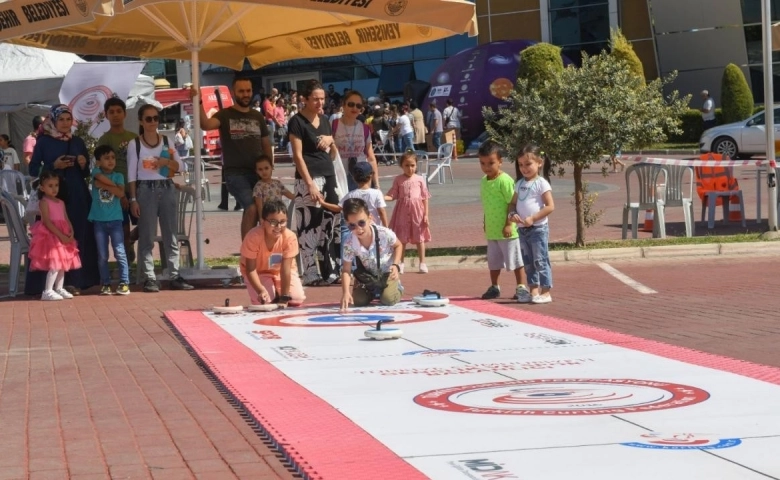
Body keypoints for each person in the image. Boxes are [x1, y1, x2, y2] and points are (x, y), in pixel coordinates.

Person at [27, 104, 99, 296]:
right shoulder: (43, 142)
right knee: (52, 238)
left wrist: (83, 164)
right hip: (52, 196)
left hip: (77, 195)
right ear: (53, 120)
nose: (66, 123)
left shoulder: (77, 141)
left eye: (68, 119)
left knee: (77, 236)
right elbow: (33, 169)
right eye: (61, 119)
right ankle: (47, 286)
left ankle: (76, 282)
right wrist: (54, 165)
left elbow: (86, 173)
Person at [191, 77, 272, 239]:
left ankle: (254, 250)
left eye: (248, 91)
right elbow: (206, 125)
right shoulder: (225, 115)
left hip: (258, 173)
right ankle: (248, 254)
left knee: (260, 210)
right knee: (252, 208)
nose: (245, 94)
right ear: (234, 93)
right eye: (241, 91)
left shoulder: (257, 116)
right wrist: (198, 101)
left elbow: (266, 145)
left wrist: (270, 170)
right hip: (235, 174)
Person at [127, 104, 193, 293]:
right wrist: (133, 199)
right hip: (145, 190)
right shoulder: (135, 144)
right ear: (141, 120)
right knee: (146, 234)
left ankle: (174, 274)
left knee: (170, 233)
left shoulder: (166, 141)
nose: (153, 122)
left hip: (166, 187)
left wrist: (165, 162)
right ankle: (149, 276)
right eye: (148, 119)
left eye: (155, 118)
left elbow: (180, 167)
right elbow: (132, 174)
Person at [288, 79, 341, 286]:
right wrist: (309, 183)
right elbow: (298, 156)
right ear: (305, 100)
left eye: (322, 99)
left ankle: (330, 270)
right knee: (309, 225)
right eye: (316, 99)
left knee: (330, 223)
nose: (320, 103)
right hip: (308, 177)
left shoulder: (325, 120)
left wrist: (331, 140)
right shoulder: (297, 121)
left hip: (328, 175)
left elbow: (334, 154)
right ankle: (310, 273)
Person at [477, 140, 528, 301]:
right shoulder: (484, 181)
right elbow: (487, 204)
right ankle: (495, 287)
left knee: (515, 260)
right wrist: (485, 222)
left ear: (500, 162)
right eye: (483, 163)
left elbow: (513, 202)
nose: (487, 167)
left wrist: (508, 224)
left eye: (491, 163)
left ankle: (521, 287)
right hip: (492, 230)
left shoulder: (504, 180)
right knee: (493, 262)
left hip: (508, 231)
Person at [509, 144, 555, 304]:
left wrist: (533, 218)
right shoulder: (519, 184)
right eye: (521, 165)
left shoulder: (542, 183)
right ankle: (533, 291)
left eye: (528, 164)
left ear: (539, 163)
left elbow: (550, 206)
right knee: (528, 262)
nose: (524, 168)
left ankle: (546, 291)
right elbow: (512, 203)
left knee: (540, 260)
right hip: (522, 230)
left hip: (538, 229)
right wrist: (512, 214)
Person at [339, 198, 403, 312]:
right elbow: (346, 270)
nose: (358, 229)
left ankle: (396, 288)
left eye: (361, 223)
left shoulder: (384, 233)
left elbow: (398, 245)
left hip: (387, 273)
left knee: (387, 299)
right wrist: (345, 292)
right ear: (346, 223)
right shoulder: (349, 242)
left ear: (370, 218)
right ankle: (372, 292)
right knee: (358, 301)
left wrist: (396, 265)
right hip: (367, 276)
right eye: (352, 226)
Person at [240, 200, 305, 307]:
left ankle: (279, 293)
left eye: (282, 221)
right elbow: (250, 269)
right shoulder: (253, 237)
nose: (278, 227)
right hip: (259, 273)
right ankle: (271, 293)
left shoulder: (290, 237)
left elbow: (286, 269)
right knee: (264, 301)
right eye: (273, 222)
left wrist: (284, 297)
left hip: (280, 273)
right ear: (263, 221)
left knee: (296, 299)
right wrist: (261, 290)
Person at [97, 96, 139, 264]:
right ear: (106, 115)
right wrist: (120, 193)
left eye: (119, 111)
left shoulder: (134, 137)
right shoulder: (104, 140)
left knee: (147, 222)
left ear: (125, 114)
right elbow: (104, 171)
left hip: (136, 187)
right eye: (111, 112)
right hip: (117, 191)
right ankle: (125, 265)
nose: (115, 115)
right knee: (123, 228)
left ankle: (131, 241)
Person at [28, 170, 81, 301]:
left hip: (63, 234)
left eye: (56, 185)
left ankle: (59, 288)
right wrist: (60, 235)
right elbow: (46, 221)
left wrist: (71, 231)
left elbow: (66, 218)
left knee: (63, 264)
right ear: (42, 187)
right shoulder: (44, 202)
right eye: (50, 186)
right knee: (55, 264)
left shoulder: (61, 202)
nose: (54, 188)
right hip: (51, 235)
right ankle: (47, 290)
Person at [88, 145, 130, 295]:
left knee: (119, 251)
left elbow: (120, 193)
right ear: (98, 162)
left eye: (112, 157)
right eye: (106, 158)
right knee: (102, 255)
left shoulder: (119, 176)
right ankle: (105, 283)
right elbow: (106, 183)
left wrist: (109, 187)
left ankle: (124, 282)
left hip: (116, 221)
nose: (111, 161)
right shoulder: (95, 172)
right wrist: (116, 188)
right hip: (99, 221)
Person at [384, 151, 431, 273]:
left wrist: (426, 214)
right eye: (406, 165)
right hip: (402, 212)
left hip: (417, 212)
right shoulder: (398, 180)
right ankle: (400, 262)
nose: (410, 168)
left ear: (416, 165)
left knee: (419, 237)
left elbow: (425, 197)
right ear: (401, 166)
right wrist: (380, 197)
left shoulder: (420, 179)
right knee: (401, 238)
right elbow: (393, 195)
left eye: (412, 165)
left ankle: (422, 263)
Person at [331, 90, 380, 190]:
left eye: (358, 106)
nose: (354, 108)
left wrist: (376, 185)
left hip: (362, 179)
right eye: (351, 104)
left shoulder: (365, 128)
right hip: (339, 177)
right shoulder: (333, 125)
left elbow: (371, 157)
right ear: (343, 105)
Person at [340, 162, 388, 226]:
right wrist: (386, 228)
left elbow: (339, 206)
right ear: (371, 175)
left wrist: (323, 203)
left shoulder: (351, 195)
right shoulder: (377, 193)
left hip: (358, 229)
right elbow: (381, 211)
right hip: (375, 228)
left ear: (354, 178)